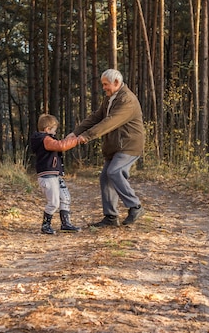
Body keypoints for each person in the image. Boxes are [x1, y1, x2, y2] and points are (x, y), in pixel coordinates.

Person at [68, 69, 145, 227]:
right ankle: (110, 217)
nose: (103, 88)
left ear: (116, 83)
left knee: (114, 171)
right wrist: (76, 133)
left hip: (129, 145)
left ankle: (135, 206)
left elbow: (110, 122)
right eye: (103, 84)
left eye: (105, 84)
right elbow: (96, 117)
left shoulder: (127, 100)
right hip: (115, 146)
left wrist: (86, 136)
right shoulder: (111, 98)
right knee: (106, 177)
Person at [30, 114, 81, 235]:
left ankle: (66, 223)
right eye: (54, 130)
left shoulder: (47, 138)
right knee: (53, 202)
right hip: (47, 176)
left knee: (65, 197)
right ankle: (45, 225)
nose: (55, 132)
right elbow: (60, 146)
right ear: (47, 129)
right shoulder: (45, 139)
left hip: (55, 175)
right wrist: (76, 140)